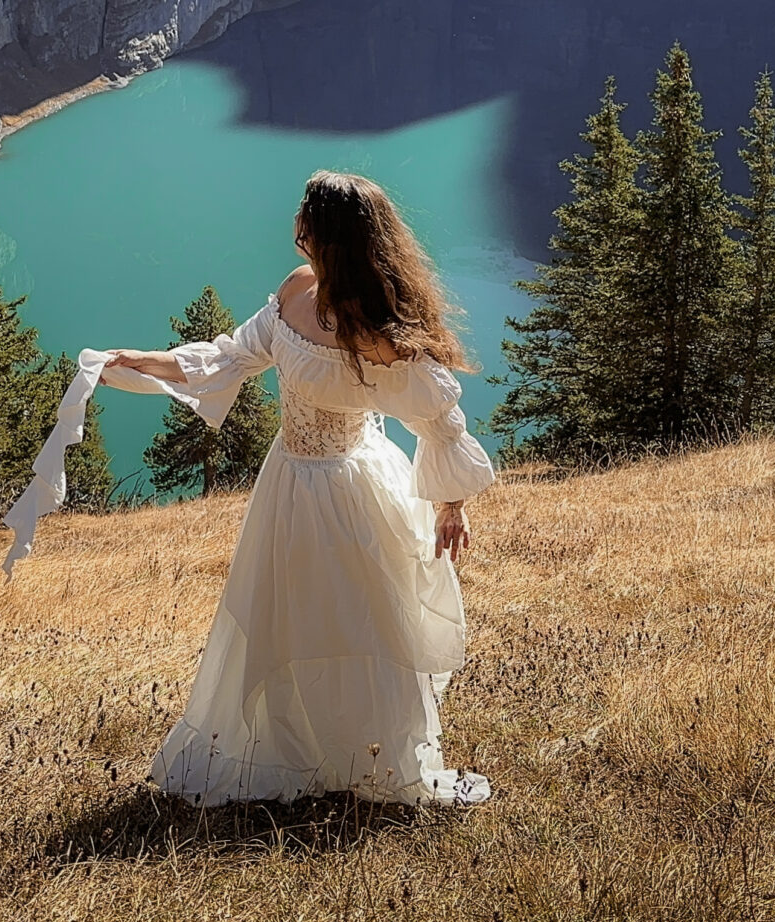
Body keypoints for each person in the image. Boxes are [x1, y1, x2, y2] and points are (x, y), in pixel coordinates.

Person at [98, 170, 497, 807]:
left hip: (355, 489)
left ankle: (375, 764)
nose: (296, 224)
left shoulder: (375, 332)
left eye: (305, 215)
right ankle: (296, 755)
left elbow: (437, 417)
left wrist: (452, 502)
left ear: (326, 235)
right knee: (287, 621)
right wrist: (142, 360)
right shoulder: (294, 292)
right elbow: (233, 355)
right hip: (288, 483)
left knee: (367, 626)